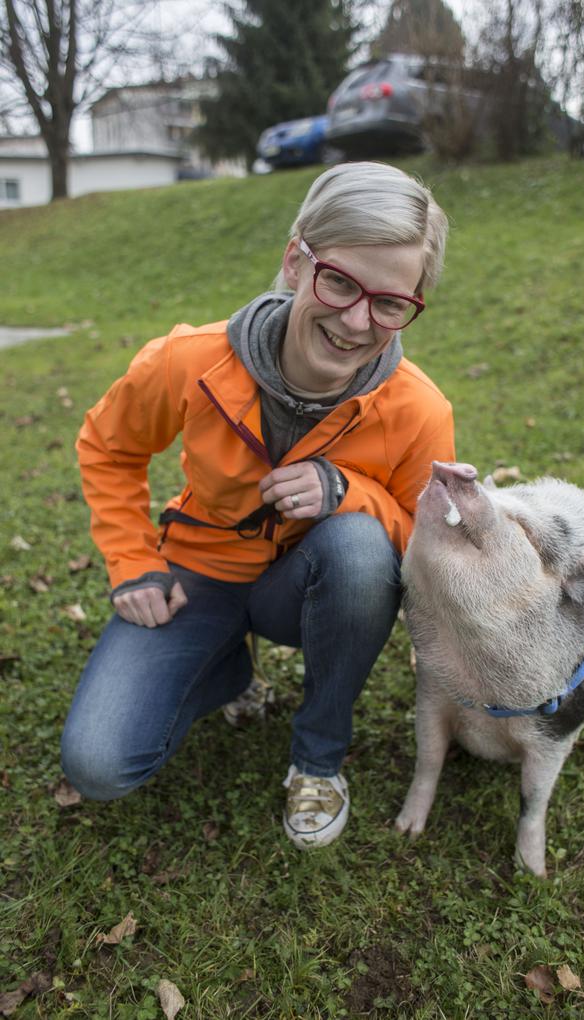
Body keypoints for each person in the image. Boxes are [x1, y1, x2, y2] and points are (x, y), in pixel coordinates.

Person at [61, 161, 455, 848]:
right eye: (339, 282)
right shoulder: (188, 360)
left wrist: (347, 492)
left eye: (390, 303)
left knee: (360, 546)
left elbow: (428, 541)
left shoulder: (419, 409)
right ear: (297, 260)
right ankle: (227, 667)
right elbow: (108, 445)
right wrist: (130, 561)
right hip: (197, 577)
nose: (357, 322)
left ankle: (319, 757)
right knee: (99, 765)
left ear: (413, 304)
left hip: (313, 590)